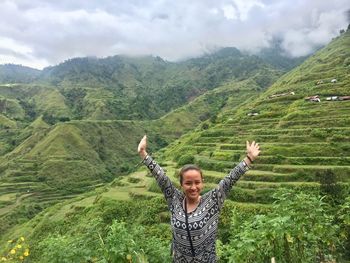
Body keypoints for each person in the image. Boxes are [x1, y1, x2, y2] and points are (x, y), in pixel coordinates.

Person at [137, 135, 260, 262]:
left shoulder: (212, 201)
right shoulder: (175, 200)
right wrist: (143, 153)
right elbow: (161, 177)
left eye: (197, 182)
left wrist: (249, 158)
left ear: (203, 183)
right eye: (188, 183)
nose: (193, 187)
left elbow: (229, 180)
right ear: (181, 184)